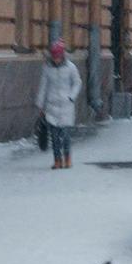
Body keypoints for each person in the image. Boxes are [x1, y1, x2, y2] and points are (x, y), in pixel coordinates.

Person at [37, 40, 82, 170]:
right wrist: (41, 105)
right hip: (51, 106)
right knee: (55, 137)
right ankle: (57, 160)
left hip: (66, 105)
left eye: (58, 56)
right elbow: (43, 86)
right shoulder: (47, 68)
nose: (56, 59)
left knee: (66, 135)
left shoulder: (70, 67)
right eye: (54, 56)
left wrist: (71, 97)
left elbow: (77, 82)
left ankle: (67, 158)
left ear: (62, 55)